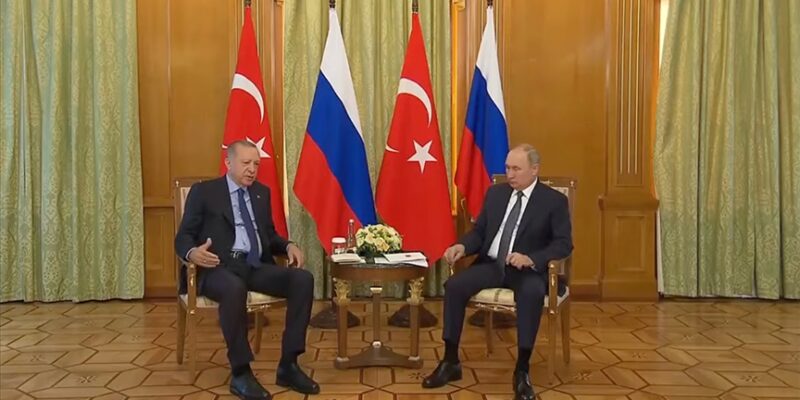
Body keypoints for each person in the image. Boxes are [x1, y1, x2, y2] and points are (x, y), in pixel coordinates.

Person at [422, 144, 573, 400]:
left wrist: (531, 259)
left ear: (534, 170)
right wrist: (462, 246)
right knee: (454, 286)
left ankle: (522, 371)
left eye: (517, 169)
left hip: (526, 271)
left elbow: (563, 244)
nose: (510, 174)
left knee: (531, 293)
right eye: (507, 168)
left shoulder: (554, 201)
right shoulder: (496, 194)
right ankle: (450, 361)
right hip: (492, 265)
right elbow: (480, 233)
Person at [175, 140, 319, 400]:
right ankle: (240, 372)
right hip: (217, 267)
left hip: (254, 265)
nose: (252, 169)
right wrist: (193, 253)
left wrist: (288, 245)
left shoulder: (261, 193)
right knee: (234, 287)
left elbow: (269, 236)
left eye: (256, 164)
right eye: (246, 163)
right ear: (228, 163)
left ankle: (289, 365)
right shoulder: (204, 192)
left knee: (302, 280)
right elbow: (183, 236)